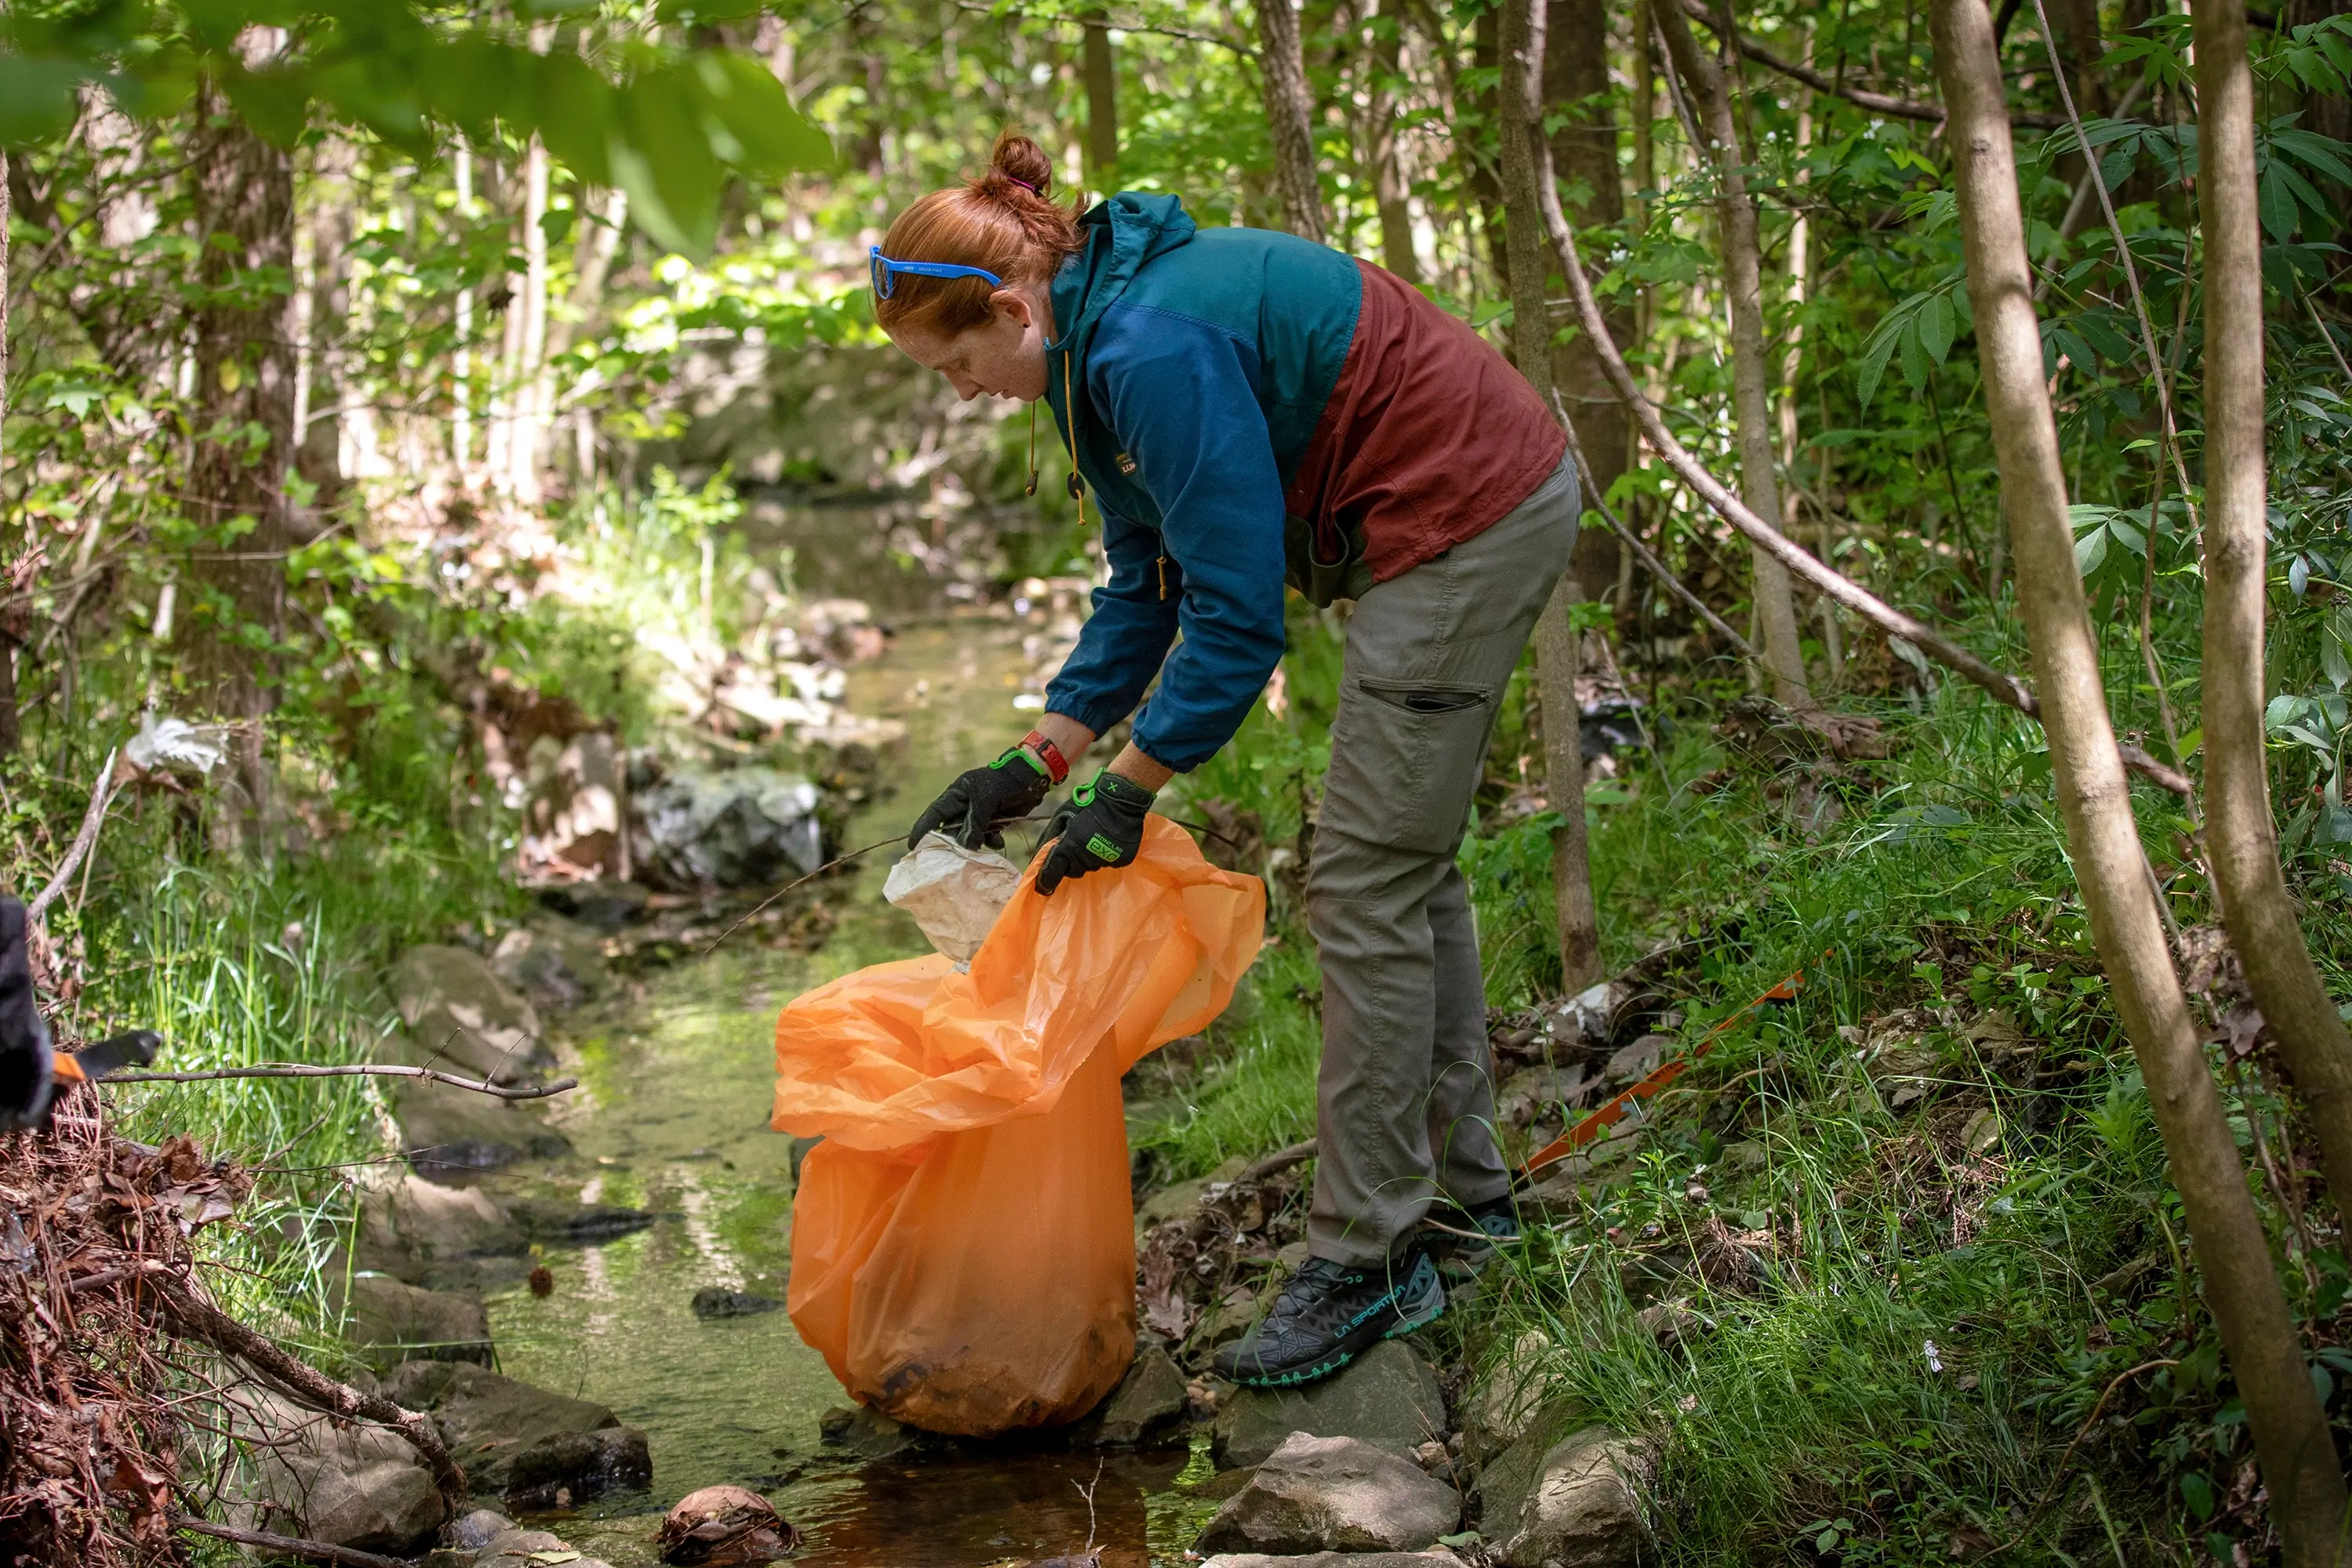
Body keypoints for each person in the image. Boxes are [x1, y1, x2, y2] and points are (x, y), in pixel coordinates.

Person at [877, 130, 1579, 1388]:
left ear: (1007, 304)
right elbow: (1146, 582)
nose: (960, 390)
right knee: (1406, 871)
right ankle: (1465, 1208)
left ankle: (1368, 1256)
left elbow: (1238, 615)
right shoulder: (1096, 349)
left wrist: (1130, 794)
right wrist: (1037, 763)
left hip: (1467, 514)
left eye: (955, 359)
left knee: (1364, 883)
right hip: (1442, 517)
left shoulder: (1149, 348)